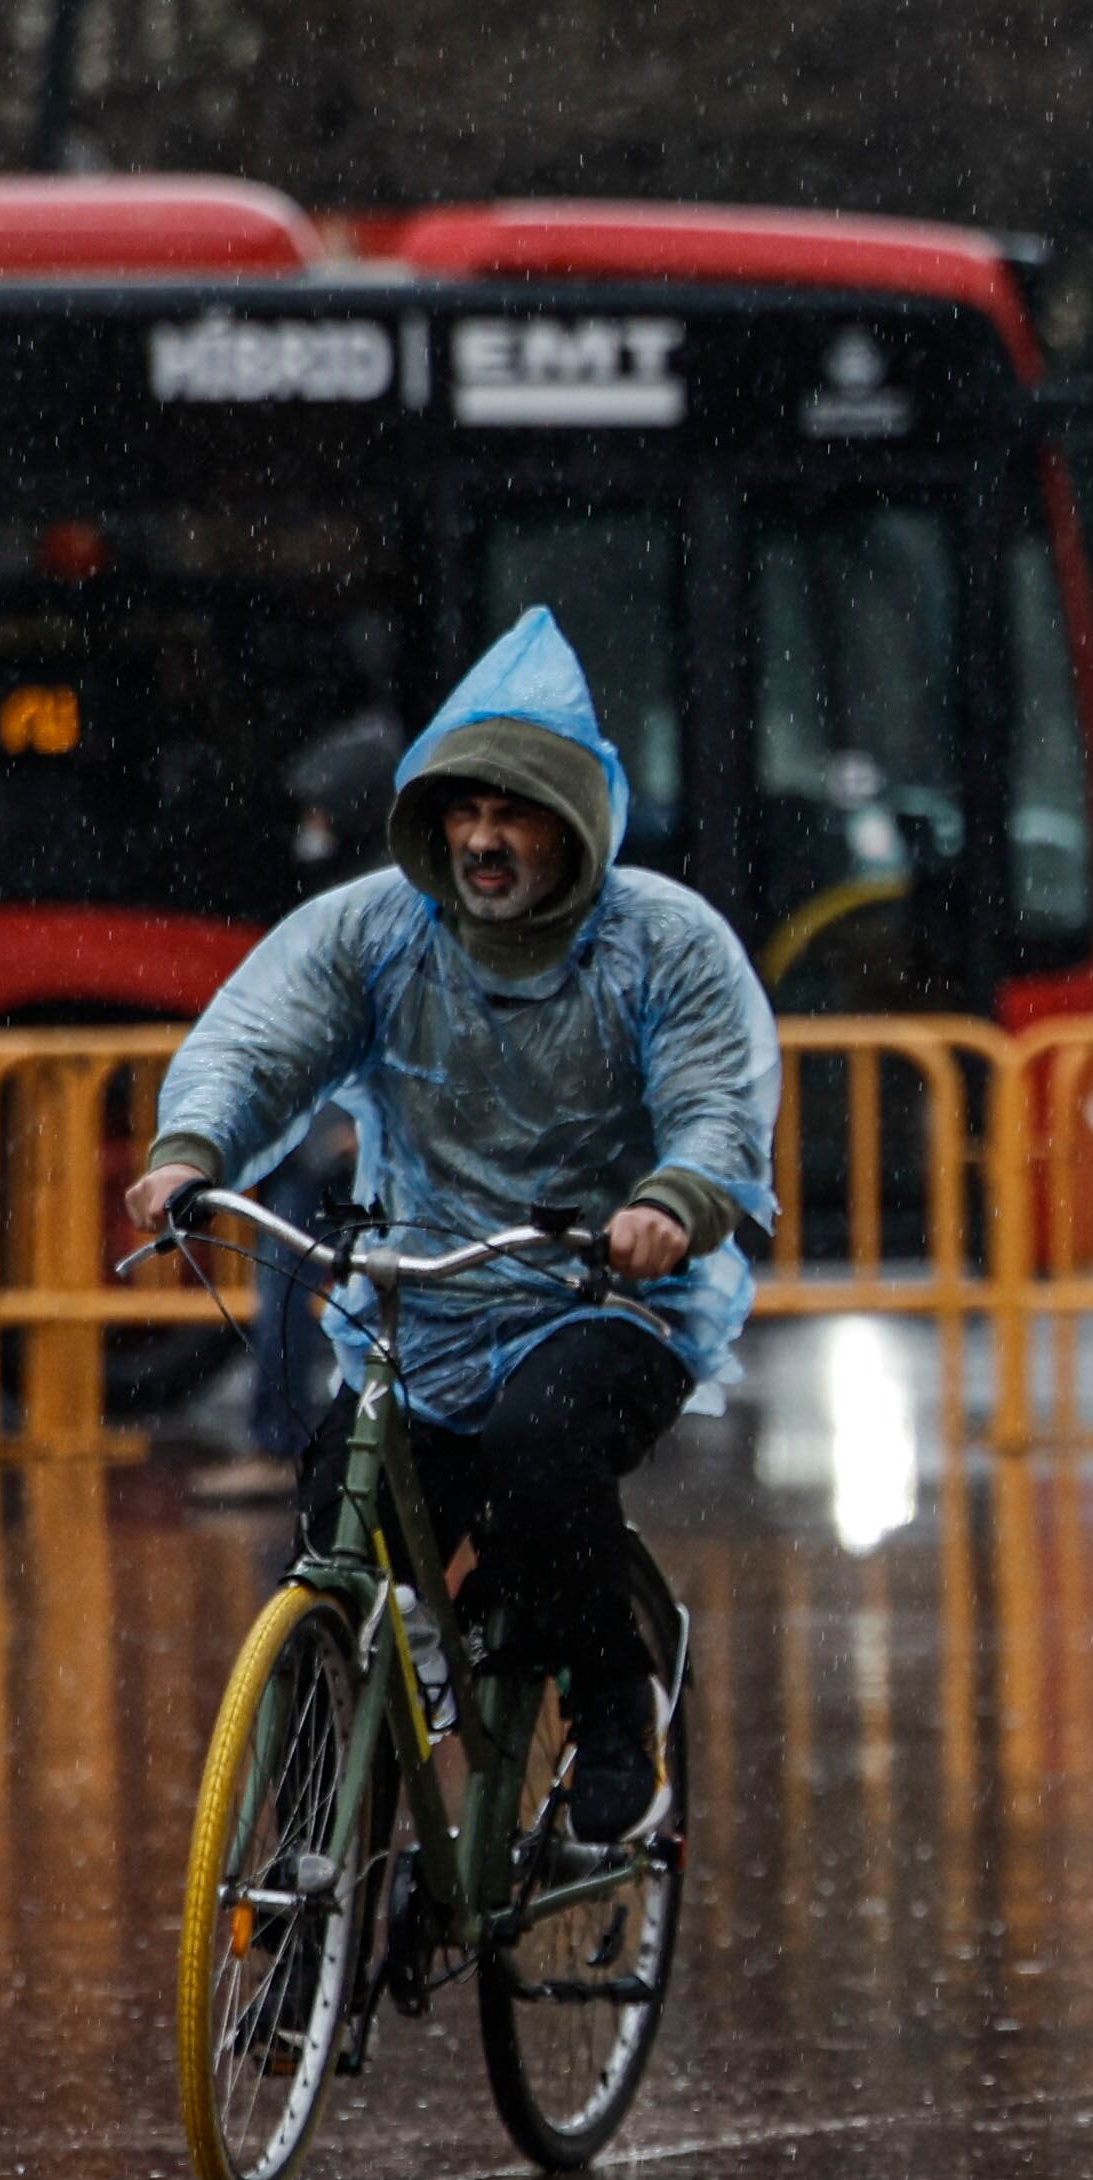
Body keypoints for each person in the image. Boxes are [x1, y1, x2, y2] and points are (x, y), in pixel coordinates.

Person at [128, 612, 779, 1847]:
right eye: (463, 811)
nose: (483, 838)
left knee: (544, 1450)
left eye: (516, 813)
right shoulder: (377, 928)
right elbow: (260, 1042)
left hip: (610, 1297)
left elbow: (714, 1105)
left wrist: (668, 1206)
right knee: (336, 1508)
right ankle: (317, 1839)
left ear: (577, 825)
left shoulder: (664, 944)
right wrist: (190, 1152)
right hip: (424, 1294)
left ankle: (611, 1711)